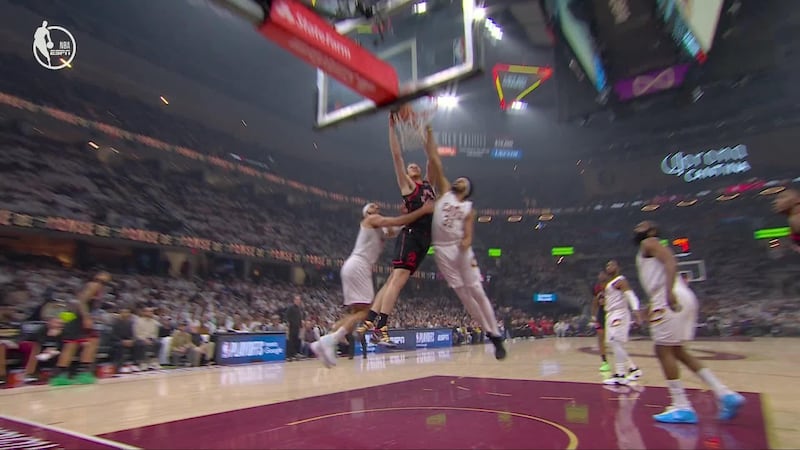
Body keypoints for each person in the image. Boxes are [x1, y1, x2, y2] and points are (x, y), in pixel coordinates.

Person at [634, 221, 744, 424]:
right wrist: (651, 305)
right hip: (680, 295)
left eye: (643, 224)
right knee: (678, 351)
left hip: (668, 295)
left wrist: (668, 294)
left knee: (662, 350)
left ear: (652, 231)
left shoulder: (649, 242)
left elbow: (670, 261)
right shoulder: (647, 250)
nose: (638, 226)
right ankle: (725, 394)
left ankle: (681, 406)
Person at [311, 200, 435, 367]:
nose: (376, 206)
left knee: (356, 314)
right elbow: (396, 221)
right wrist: (422, 211)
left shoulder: (379, 229)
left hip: (354, 266)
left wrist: (409, 215)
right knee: (367, 312)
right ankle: (330, 340)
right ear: (367, 213)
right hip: (359, 266)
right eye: (372, 206)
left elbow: (397, 227)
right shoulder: (371, 220)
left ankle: (326, 341)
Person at [420, 124, 506, 359]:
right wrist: (429, 134)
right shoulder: (445, 190)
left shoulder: (468, 207)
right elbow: (435, 159)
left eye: (464, 181)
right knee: (464, 297)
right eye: (459, 179)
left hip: (459, 250)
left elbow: (468, 233)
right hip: (441, 250)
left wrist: (466, 243)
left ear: (467, 191)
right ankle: (491, 334)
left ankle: (497, 334)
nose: (459, 180)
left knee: (476, 290)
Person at [362, 116, 437, 345]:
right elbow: (397, 156)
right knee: (398, 280)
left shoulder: (428, 185)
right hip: (411, 235)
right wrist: (392, 127)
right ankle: (381, 327)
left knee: (393, 281)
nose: (413, 166)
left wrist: (426, 131)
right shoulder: (407, 186)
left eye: (415, 165)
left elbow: (432, 159)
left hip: (425, 240)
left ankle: (370, 319)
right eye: (410, 166)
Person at [50, 272, 110, 386]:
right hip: (77, 317)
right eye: (99, 280)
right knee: (77, 345)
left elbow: (76, 305)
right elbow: (81, 301)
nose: (101, 283)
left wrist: (64, 318)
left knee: (76, 345)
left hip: (73, 316)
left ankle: (63, 375)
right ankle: (80, 374)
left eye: (104, 282)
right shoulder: (93, 285)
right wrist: (86, 317)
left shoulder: (93, 287)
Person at [601, 260, 644, 385]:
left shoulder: (620, 280)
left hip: (619, 313)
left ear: (618, 267)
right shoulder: (609, 283)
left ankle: (620, 375)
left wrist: (636, 311)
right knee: (614, 344)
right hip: (610, 314)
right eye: (607, 265)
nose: (608, 267)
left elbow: (631, 296)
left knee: (616, 341)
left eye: (611, 265)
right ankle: (633, 369)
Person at [591, 270, 610, 372]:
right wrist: (593, 315)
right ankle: (604, 362)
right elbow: (595, 301)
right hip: (601, 314)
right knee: (600, 338)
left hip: (611, 313)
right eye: (599, 274)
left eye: (602, 274)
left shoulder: (612, 285)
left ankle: (623, 363)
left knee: (614, 339)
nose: (600, 276)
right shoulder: (597, 287)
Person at [773, 188, 800, 253]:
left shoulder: (796, 219)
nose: (775, 202)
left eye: (782, 197)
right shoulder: (793, 220)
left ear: (798, 200)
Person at [286, 295, 304, 361]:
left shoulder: (299, 309)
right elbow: (287, 316)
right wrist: (288, 325)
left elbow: (299, 318)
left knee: (297, 341)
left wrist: (301, 326)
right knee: (291, 341)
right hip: (291, 327)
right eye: (297, 300)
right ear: (294, 300)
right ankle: (289, 356)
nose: (298, 301)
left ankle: (296, 354)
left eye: (299, 300)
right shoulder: (290, 308)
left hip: (297, 327)